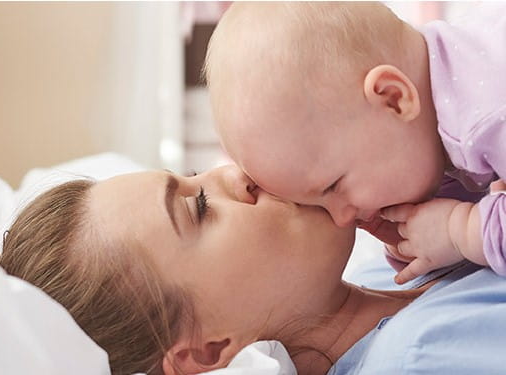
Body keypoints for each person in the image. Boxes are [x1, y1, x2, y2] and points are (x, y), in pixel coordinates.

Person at [0, 165, 506, 374]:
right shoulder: (424, 358)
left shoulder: (396, 270)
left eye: (193, 176)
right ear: (208, 348)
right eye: (198, 206)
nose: (235, 173)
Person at [204, 1, 506, 284]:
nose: (341, 218)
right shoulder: (447, 84)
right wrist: (422, 235)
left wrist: (461, 231)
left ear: (393, 98)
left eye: (333, 186)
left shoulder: (490, 110)